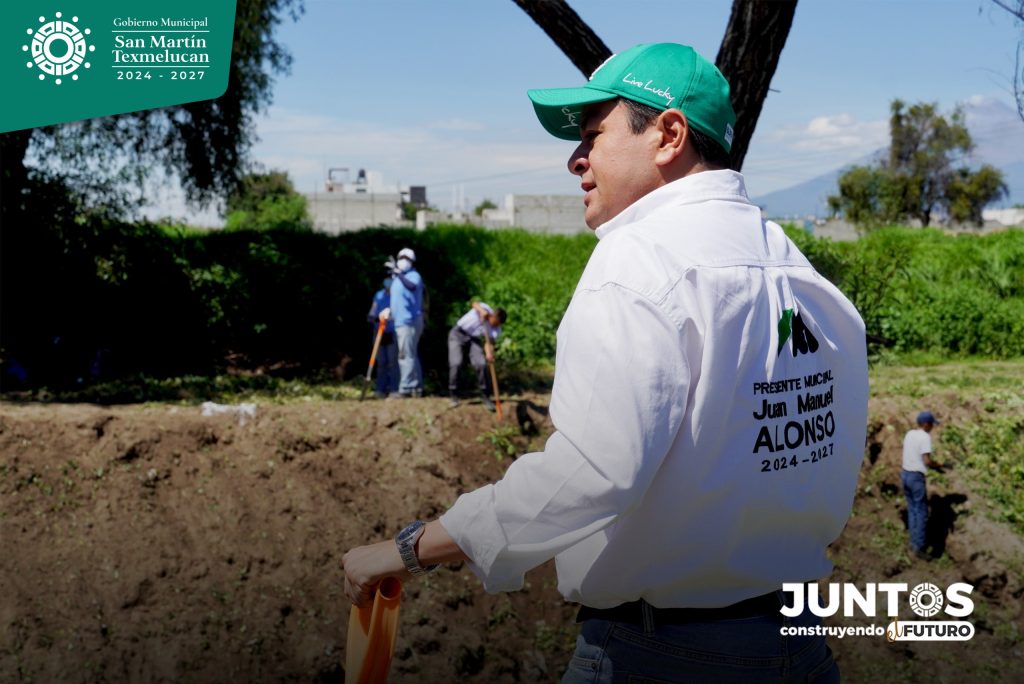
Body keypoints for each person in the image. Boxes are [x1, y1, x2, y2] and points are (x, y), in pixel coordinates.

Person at [344, 43, 869, 682]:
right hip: (798, 650)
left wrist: (411, 548)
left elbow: (594, 472)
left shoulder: (638, 260)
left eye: (594, 133)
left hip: (659, 655)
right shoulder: (796, 268)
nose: (575, 160)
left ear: (669, 135)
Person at [447, 302, 507, 410]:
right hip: (458, 334)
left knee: (481, 364)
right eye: (495, 322)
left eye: (498, 325)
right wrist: (481, 310)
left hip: (474, 340)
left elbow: (489, 343)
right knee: (456, 363)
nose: (495, 326)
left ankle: (485, 396)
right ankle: (454, 395)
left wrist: (489, 354)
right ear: (493, 316)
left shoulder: (496, 329)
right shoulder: (486, 308)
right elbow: (474, 304)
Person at [902, 410, 942, 560]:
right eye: (931, 424)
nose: (932, 427)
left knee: (912, 509)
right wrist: (939, 466)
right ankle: (919, 547)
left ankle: (913, 542)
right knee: (922, 512)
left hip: (905, 474)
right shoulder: (925, 437)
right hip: (916, 478)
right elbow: (926, 461)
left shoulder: (909, 434)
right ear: (926, 424)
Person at [386, 247, 424, 398]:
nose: (403, 261)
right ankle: (417, 387)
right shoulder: (398, 278)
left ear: (412, 262)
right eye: (401, 257)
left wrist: (399, 274)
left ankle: (406, 388)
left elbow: (412, 286)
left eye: (406, 259)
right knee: (410, 354)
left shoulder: (414, 276)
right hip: (400, 321)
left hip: (409, 321)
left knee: (405, 355)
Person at [366, 278, 399, 399]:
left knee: (392, 362)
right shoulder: (379, 294)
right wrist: (372, 316)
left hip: (392, 331)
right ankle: (380, 389)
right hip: (379, 332)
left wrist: (390, 317)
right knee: (381, 362)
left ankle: (394, 389)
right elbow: (373, 310)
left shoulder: (397, 296)